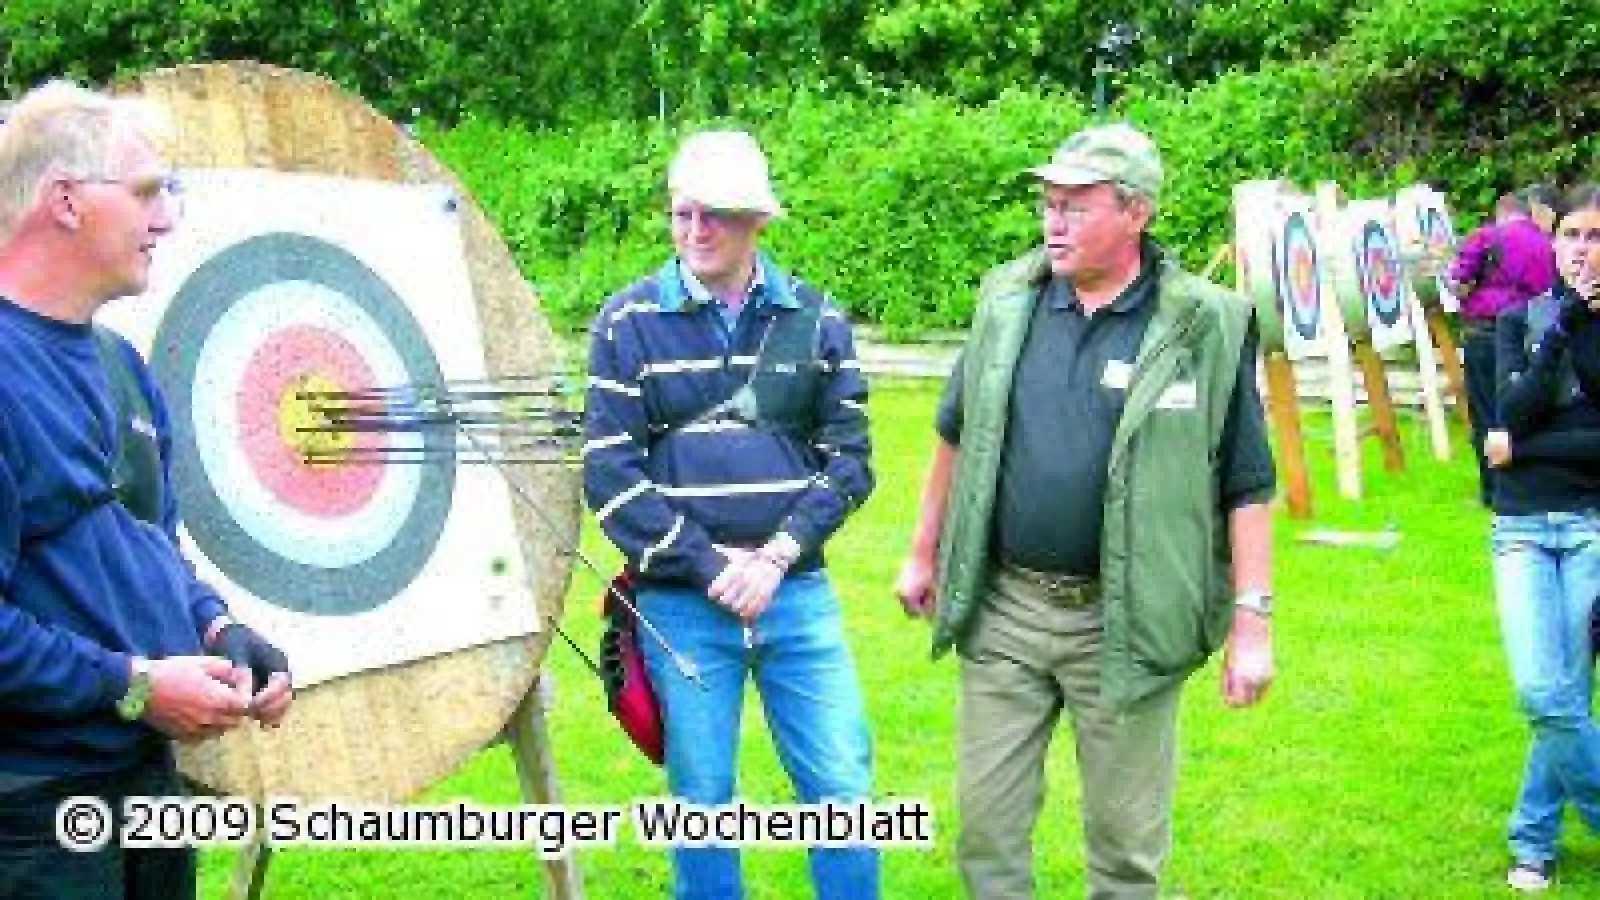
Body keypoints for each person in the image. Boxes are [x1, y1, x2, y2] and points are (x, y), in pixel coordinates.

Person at [894, 123, 1277, 900]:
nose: (1054, 221)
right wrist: (922, 551)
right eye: (1048, 202)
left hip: (1128, 621)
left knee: (1125, 850)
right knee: (987, 832)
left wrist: (1253, 625)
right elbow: (956, 432)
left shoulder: (1206, 324)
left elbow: (1247, 483)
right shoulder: (1007, 301)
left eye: (1076, 204)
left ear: (1136, 212)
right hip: (1005, 608)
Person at [0, 81, 292, 900]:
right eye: (146, 191)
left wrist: (220, 628)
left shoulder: (120, 364)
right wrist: (134, 686)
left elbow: (149, 547)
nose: (166, 218)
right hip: (32, 805)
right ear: (65, 201)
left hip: (144, 782)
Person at [582, 130, 877, 899]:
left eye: (714, 214)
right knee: (701, 804)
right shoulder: (626, 323)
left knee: (842, 790)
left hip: (795, 594)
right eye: (683, 212)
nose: (694, 230)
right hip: (683, 604)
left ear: (758, 222)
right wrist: (711, 565)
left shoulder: (816, 318)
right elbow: (610, 474)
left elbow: (850, 461)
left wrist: (776, 556)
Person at [1483, 183, 1600, 892]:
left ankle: (1534, 839)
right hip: (1521, 529)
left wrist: (1523, 447)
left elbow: (1515, 438)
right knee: (1542, 691)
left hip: (1590, 525)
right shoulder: (1520, 320)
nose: (1583, 250)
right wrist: (1562, 326)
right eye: (1572, 236)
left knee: (1567, 696)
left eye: (1597, 236)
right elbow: (1510, 408)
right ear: (1554, 243)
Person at [1449, 191, 1558, 506]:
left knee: (1487, 412)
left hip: (1487, 333)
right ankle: (1528, 482)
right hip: (1531, 333)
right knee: (1523, 407)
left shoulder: (1485, 237)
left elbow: (1458, 283)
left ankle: (1494, 491)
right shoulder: (1548, 243)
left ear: (1502, 212)